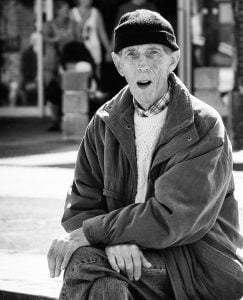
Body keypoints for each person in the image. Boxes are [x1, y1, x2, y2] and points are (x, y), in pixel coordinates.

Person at [47, 9, 243, 300]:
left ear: (173, 60)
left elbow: (172, 216)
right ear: (118, 64)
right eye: (132, 55)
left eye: (153, 53)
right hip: (128, 257)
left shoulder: (203, 125)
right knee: (104, 285)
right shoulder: (103, 123)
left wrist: (98, 235)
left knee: (83, 263)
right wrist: (114, 244)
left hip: (196, 265)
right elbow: (82, 203)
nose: (143, 65)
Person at [43, 0, 79, 131]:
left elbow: (78, 40)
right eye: (64, 9)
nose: (67, 11)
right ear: (57, 10)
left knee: (68, 90)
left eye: (67, 8)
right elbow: (44, 38)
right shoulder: (48, 24)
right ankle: (54, 121)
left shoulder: (74, 24)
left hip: (69, 62)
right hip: (52, 62)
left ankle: (67, 120)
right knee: (52, 90)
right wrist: (56, 39)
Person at [70, 0, 112, 82]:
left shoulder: (96, 12)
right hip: (79, 48)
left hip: (94, 47)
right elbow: (73, 33)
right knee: (80, 70)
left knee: (96, 72)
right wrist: (84, 19)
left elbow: (102, 33)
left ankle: (95, 91)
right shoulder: (72, 12)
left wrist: (109, 50)